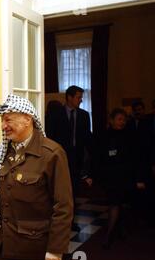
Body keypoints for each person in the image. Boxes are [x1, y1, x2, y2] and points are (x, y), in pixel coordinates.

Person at [0, 94, 73, 260]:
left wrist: (55, 249)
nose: (3, 126)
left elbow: (63, 205)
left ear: (27, 119)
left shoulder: (52, 154)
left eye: (8, 120)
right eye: (1, 120)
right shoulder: (2, 153)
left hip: (39, 246)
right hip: (7, 244)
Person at [45, 85, 93, 230]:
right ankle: (55, 222)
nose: (81, 100)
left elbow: (87, 140)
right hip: (59, 158)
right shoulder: (55, 114)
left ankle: (71, 221)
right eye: (78, 97)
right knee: (56, 191)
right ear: (69, 98)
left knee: (73, 192)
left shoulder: (84, 115)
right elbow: (50, 136)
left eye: (81, 97)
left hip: (76, 160)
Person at [95, 108, 144, 248]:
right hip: (110, 176)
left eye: (124, 119)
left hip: (126, 176)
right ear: (111, 120)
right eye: (119, 119)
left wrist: (138, 178)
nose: (122, 122)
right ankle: (110, 234)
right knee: (114, 203)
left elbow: (136, 158)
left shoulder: (130, 136)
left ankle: (117, 229)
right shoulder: (103, 135)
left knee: (120, 202)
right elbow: (99, 157)